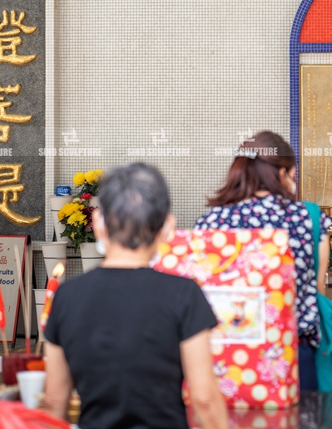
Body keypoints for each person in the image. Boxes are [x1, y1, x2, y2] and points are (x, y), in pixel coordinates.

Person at [43, 163, 227, 429]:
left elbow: (54, 401)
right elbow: (205, 399)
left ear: (97, 223)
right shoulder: (184, 294)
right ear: (166, 227)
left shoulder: (66, 297)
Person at [194, 131, 331, 391]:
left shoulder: (209, 223)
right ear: (281, 174)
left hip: (226, 357)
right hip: (292, 353)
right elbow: (317, 290)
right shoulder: (309, 218)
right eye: (293, 176)